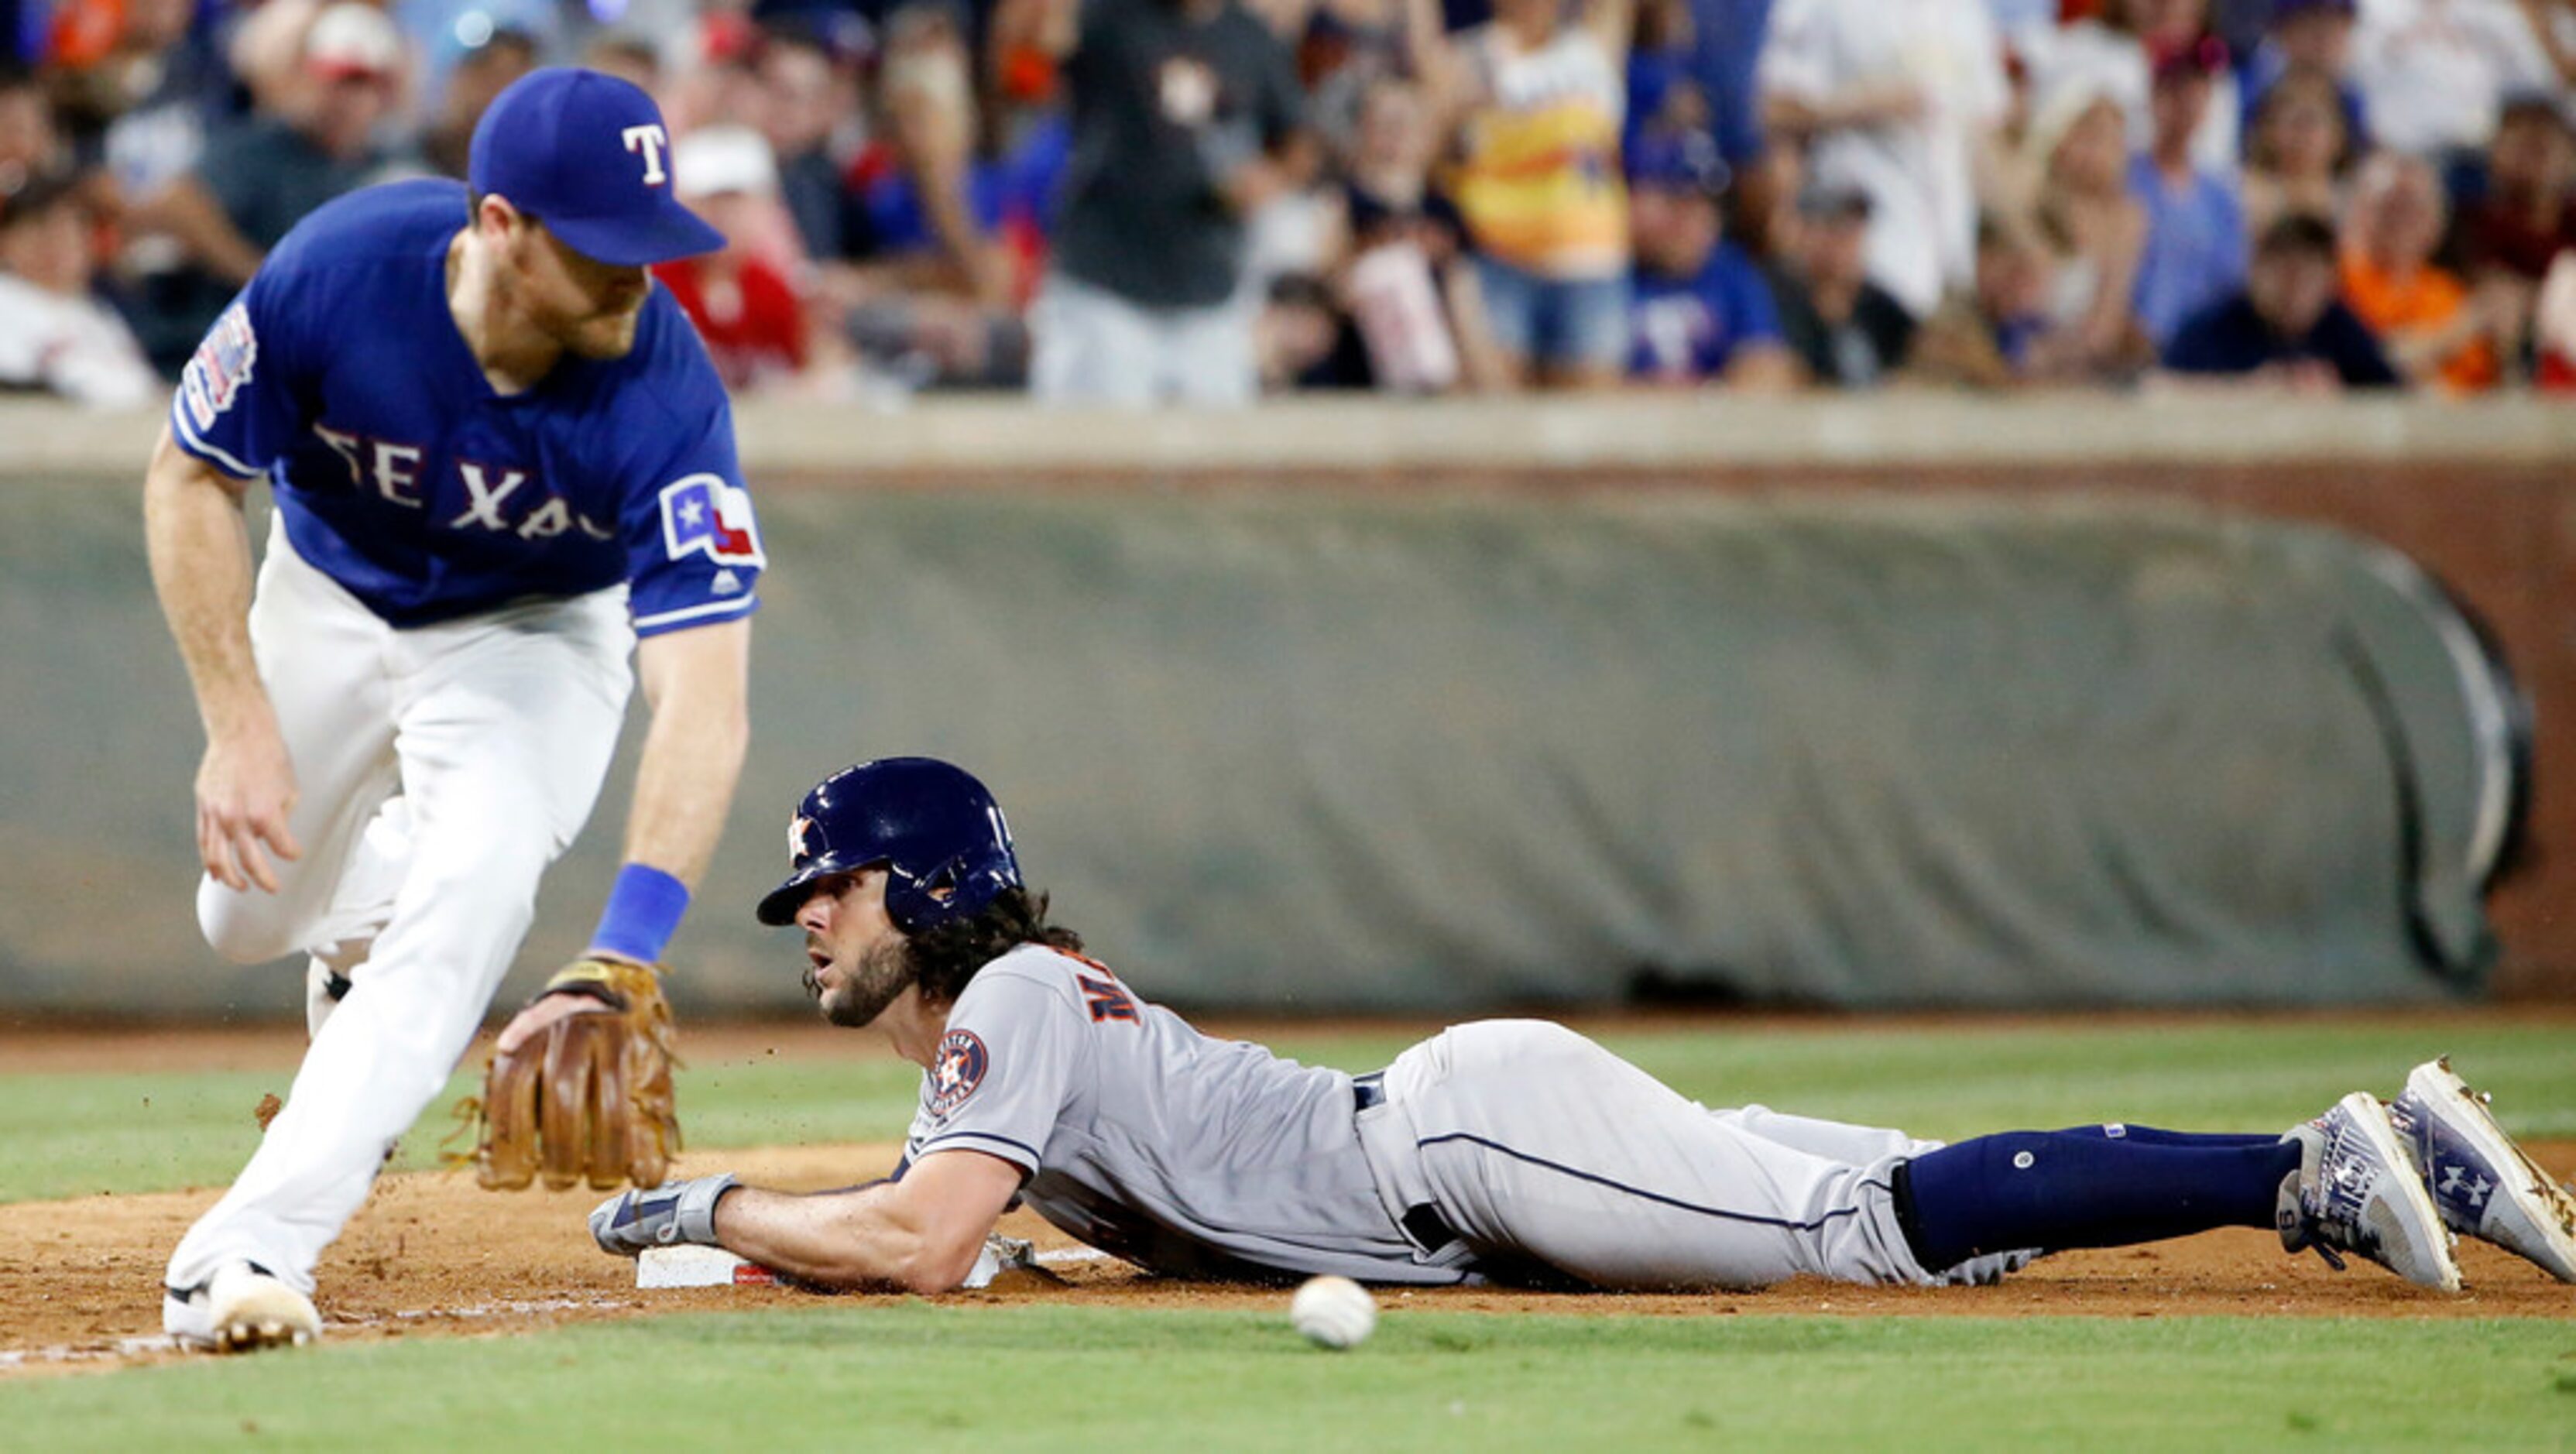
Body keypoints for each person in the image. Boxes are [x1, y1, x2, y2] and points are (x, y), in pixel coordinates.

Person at [589, 757, 2576, 1298]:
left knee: (1853, 1232)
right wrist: (781, 1224)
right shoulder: (1013, 1018)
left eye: (831, 886)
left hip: (1453, 1146)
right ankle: (2362, 1150)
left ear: (925, 885)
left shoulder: (1006, 993)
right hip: (1465, 1133)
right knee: (1878, 1184)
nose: (813, 922)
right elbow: (949, 1231)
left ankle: (2312, 1170)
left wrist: (705, 1208)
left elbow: (923, 1238)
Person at [146, 67, 763, 1353]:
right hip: (327, 592)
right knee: (241, 916)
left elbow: (703, 685)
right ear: (500, 226)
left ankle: (244, 1249)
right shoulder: (344, 269)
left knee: (475, 892)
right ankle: (354, 943)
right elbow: (188, 474)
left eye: (651, 248)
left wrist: (630, 941)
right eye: (602, 249)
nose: (635, 279)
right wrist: (237, 720)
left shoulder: (662, 390)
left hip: (531, 636)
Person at [1022, 0, 1312, 405]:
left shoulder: (1249, 35)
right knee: (1094, 454)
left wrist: (1267, 179)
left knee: (1219, 458)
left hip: (1210, 291)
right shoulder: (1107, 17)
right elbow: (1029, 57)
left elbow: (1299, 137)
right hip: (1105, 290)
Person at [2339, 149, 2516, 390]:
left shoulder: (2449, 292)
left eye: (2415, 207)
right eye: (2390, 206)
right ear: (2356, 211)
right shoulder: (2331, 284)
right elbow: (2373, 363)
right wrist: (2464, 328)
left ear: (2439, 220)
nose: (2402, 220)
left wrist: (2505, 347)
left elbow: (2487, 387)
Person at [2163, 211, 2400, 387]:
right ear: (2256, 270)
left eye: (2310, 271)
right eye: (2285, 268)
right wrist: (2246, 389)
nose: (2296, 283)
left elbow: (2392, 392)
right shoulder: (2212, 325)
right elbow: (2158, 389)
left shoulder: (2340, 326)